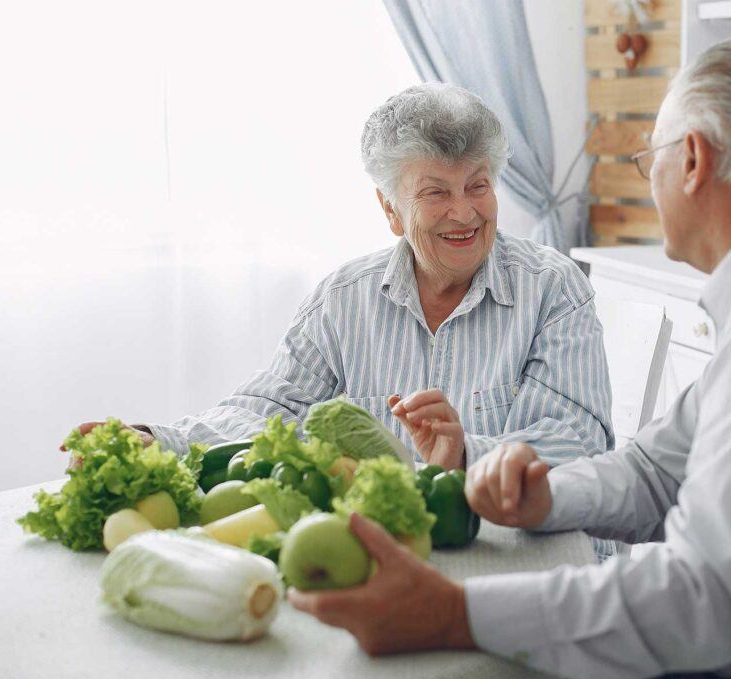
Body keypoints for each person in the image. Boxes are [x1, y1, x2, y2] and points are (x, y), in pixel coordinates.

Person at [288, 39, 731, 679]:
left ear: (690, 161)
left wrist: (454, 611)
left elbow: (699, 599)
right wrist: (548, 497)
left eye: (648, 158)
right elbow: (658, 468)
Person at [67, 83, 613, 470]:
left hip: (515, 552)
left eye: (477, 184)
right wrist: (158, 441)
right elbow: (271, 410)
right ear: (391, 209)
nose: (465, 212)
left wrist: (467, 452)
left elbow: (577, 443)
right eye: (435, 193)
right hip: (388, 552)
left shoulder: (553, 290)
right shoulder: (343, 298)